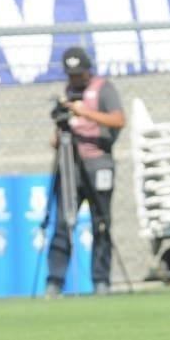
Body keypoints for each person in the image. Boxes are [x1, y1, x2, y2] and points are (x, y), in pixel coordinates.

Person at [45, 47, 125, 297]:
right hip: (70, 165)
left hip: (98, 162)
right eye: (71, 75)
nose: (75, 80)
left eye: (79, 74)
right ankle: (55, 280)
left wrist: (82, 112)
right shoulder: (68, 93)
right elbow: (59, 135)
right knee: (62, 221)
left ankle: (101, 280)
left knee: (100, 221)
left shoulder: (104, 88)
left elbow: (118, 120)